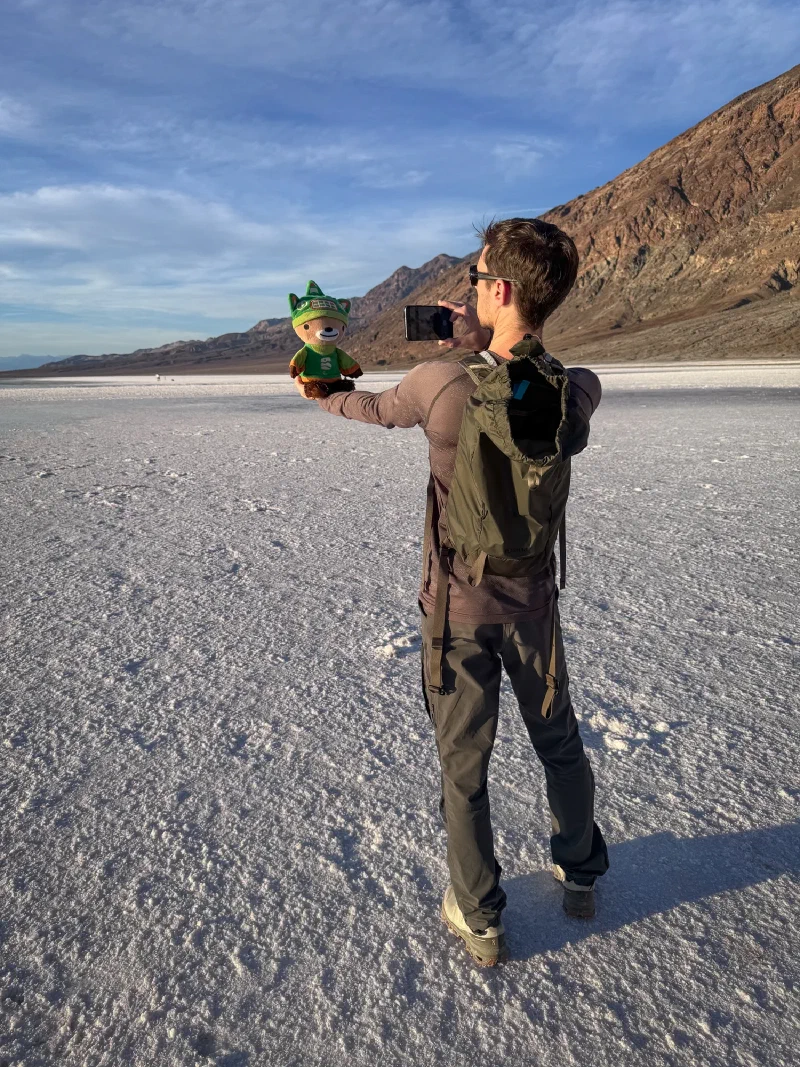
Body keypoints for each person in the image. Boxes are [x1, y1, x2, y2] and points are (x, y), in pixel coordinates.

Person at [294, 218, 609, 966]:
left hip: (457, 610)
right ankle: (580, 872)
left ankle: (480, 913)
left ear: (497, 290)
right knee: (559, 741)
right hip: (534, 605)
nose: (464, 294)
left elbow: (369, 406)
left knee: (464, 763)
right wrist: (497, 346)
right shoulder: (577, 391)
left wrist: (322, 388)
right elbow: (544, 390)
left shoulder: (440, 382)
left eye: (473, 281)